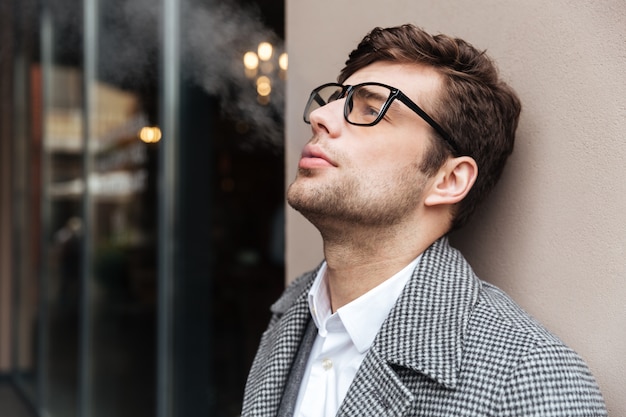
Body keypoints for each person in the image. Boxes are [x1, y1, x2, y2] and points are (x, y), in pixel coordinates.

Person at [242, 24, 607, 417]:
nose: (320, 117)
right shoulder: (293, 315)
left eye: (371, 109)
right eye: (335, 100)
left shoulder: (530, 378)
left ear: (448, 180)